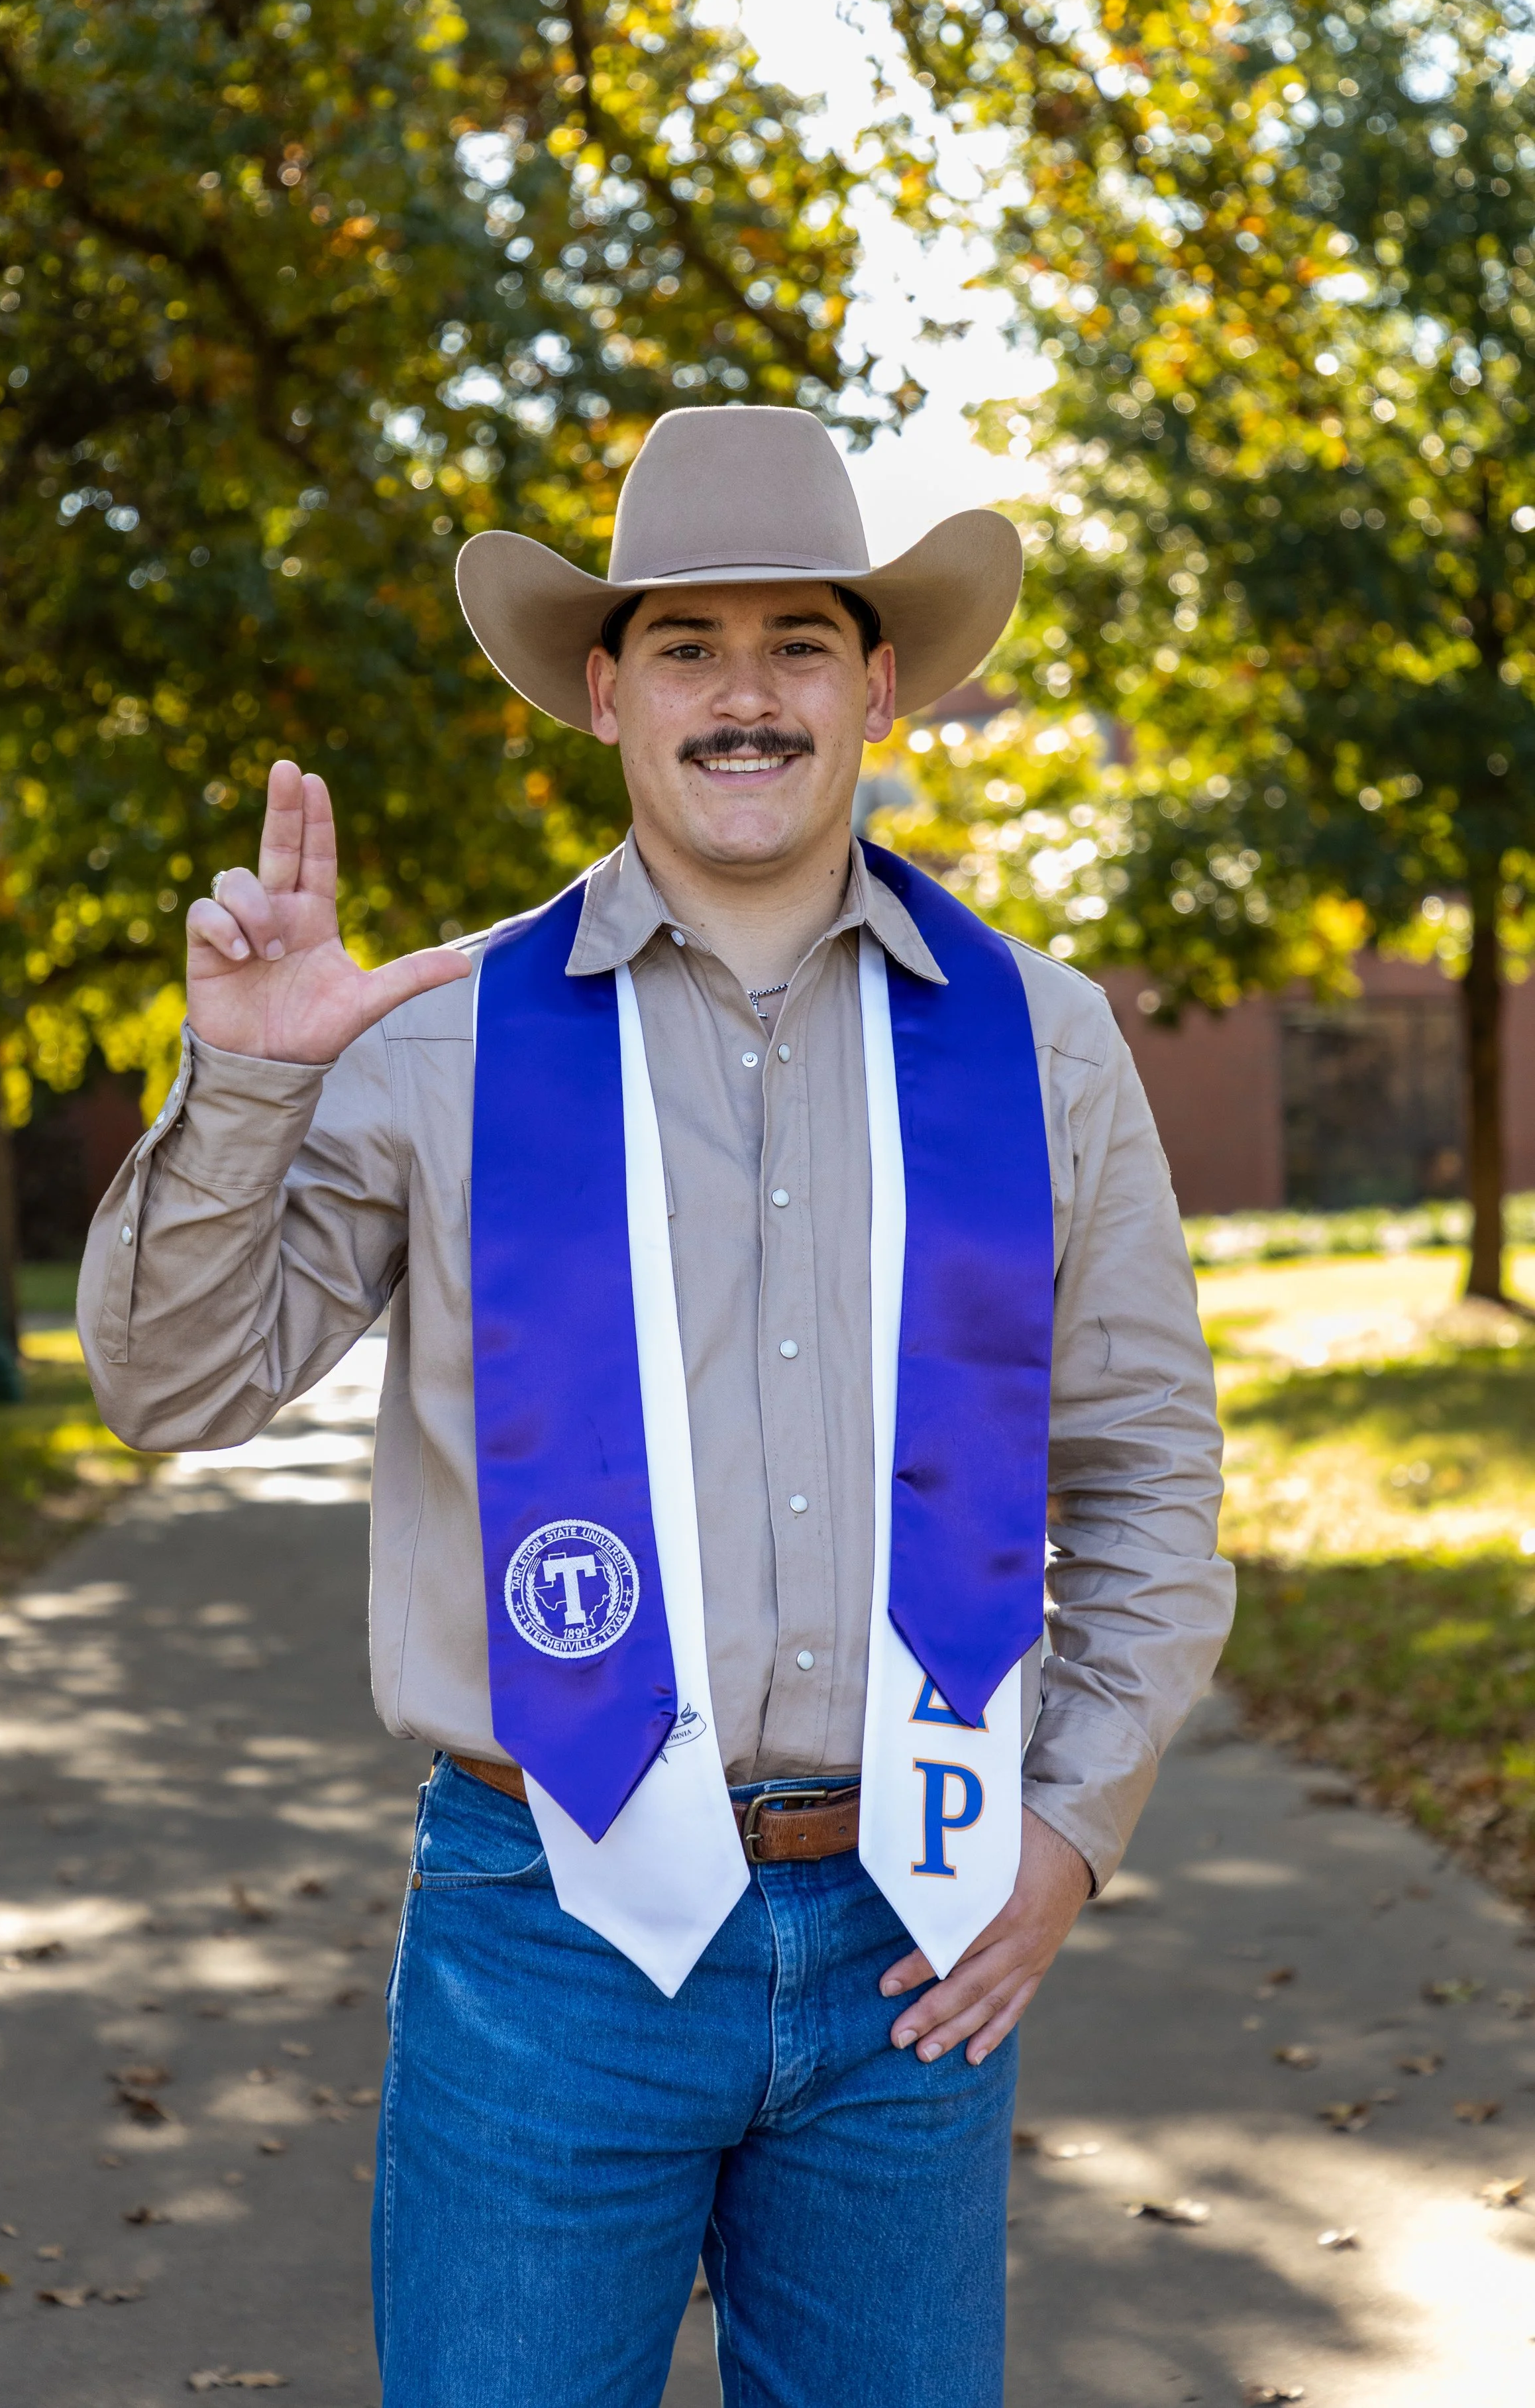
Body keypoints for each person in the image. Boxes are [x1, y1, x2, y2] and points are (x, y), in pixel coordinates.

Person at [79, 404, 1232, 2408]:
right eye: (686, 644)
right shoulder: (442, 1033)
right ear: (604, 689)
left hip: (914, 1918)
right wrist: (254, 1077)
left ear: (877, 683)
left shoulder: (1038, 1038)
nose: (745, 694)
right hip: (545, 1928)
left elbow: (1142, 1469)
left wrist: (1071, 1829)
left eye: (798, 638)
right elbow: (174, 1384)